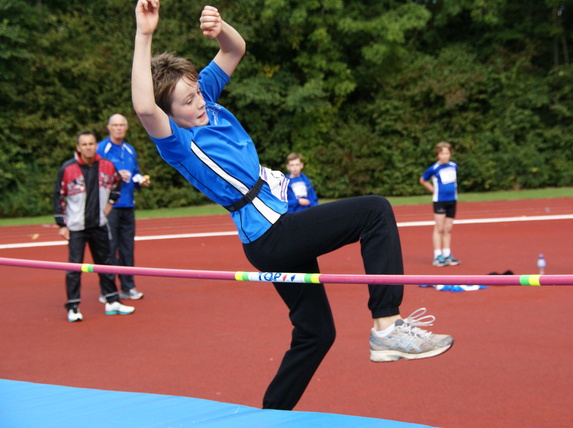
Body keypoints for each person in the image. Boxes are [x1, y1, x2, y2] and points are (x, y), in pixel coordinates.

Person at [132, 0, 453, 411]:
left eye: (196, 92)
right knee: (375, 211)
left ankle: (271, 415)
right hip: (271, 235)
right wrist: (145, 33)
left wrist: (220, 26)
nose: (197, 102)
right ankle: (387, 325)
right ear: (170, 114)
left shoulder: (207, 100)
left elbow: (234, 49)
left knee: (315, 334)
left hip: (278, 228)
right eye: (186, 101)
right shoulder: (178, 142)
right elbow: (144, 106)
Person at [53, 131, 136, 322]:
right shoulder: (68, 168)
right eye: (84, 144)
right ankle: (73, 306)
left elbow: (117, 184)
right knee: (74, 267)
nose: (88, 147)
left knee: (106, 263)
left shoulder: (107, 166)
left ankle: (112, 301)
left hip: (99, 224)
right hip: (76, 227)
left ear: (95, 146)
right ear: (78, 147)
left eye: (91, 144)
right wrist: (61, 224)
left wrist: (108, 206)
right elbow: (58, 195)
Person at [97, 114, 150, 301]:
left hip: (128, 204)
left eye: (122, 125)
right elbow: (95, 174)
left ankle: (128, 287)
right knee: (109, 248)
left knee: (127, 248)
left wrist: (140, 180)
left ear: (126, 128)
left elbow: (134, 173)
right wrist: (116, 174)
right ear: (109, 127)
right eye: (115, 125)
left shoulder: (130, 150)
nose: (118, 128)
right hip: (109, 206)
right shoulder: (101, 149)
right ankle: (108, 290)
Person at [419, 141, 461, 267]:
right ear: (437, 155)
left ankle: (447, 254)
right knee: (439, 227)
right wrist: (433, 190)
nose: (445, 156)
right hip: (440, 201)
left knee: (448, 228)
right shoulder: (434, 168)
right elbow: (423, 180)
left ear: (450, 154)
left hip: (452, 200)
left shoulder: (454, 166)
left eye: (447, 153)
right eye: (442, 153)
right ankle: (437, 255)